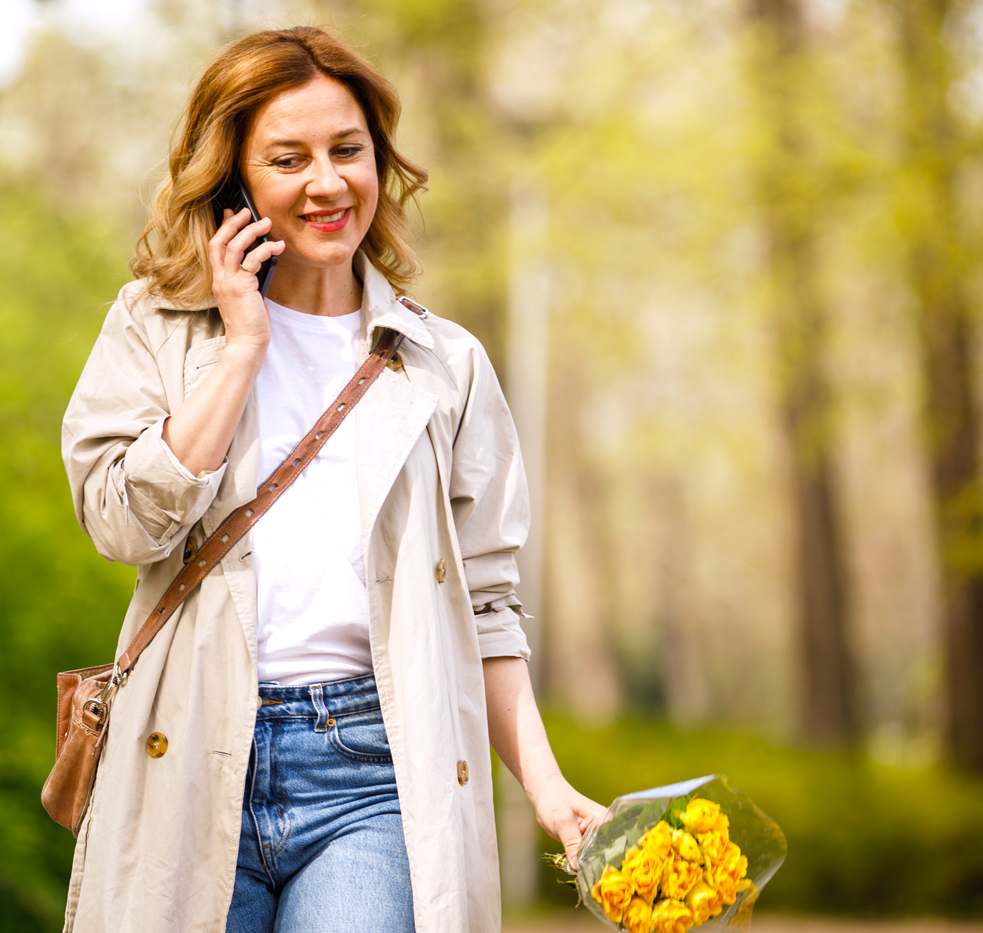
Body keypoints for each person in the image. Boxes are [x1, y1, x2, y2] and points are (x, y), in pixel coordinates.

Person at [60, 25, 604, 933]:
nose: (327, 182)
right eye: (289, 157)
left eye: (347, 149)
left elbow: (486, 610)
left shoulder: (445, 367)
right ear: (237, 177)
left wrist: (551, 796)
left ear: (379, 161)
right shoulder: (156, 328)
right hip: (190, 749)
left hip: (374, 772)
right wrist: (239, 354)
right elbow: (122, 526)